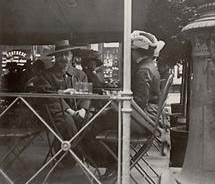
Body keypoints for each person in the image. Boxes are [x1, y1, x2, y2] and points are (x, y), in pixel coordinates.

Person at [82, 31, 163, 174]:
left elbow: (139, 103)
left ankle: (108, 163)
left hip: (143, 121)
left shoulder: (143, 70)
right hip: (149, 119)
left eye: (131, 50)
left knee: (96, 122)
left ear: (137, 52)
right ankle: (113, 164)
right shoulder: (150, 66)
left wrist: (116, 103)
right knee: (106, 117)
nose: (130, 54)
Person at [37, 40, 91, 168]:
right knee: (67, 122)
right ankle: (83, 154)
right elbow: (49, 97)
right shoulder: (46, 75)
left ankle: (92, 155)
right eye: (60, 55)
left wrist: (83, 109)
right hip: (56, 113)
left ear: (71, 55)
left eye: (67, 54)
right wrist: (70, 110)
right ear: (55, 57)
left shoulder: (80, 75)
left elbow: (87, 94)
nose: (64, 58)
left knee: (92, 121)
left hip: (79, 112)